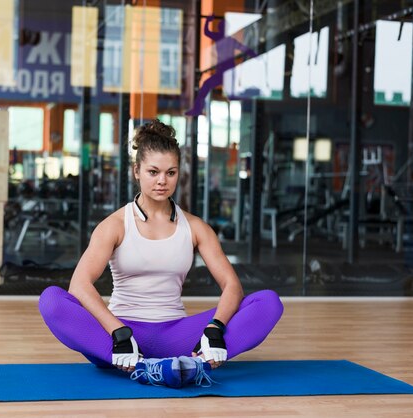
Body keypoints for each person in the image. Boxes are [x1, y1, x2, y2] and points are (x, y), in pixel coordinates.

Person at [39, 119, 283, 388]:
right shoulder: (115, 225)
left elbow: (231, 286)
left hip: (176, 334)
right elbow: (80, 285)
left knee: (268, 303)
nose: (161, 181)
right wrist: (117, 332)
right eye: (153, 172)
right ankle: (149, 367)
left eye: (170, 173)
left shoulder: (197, 227)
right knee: (51, 300)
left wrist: (216, 328)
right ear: (137, 171)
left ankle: (192, 364)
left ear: (180, 173)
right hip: (118, 336)